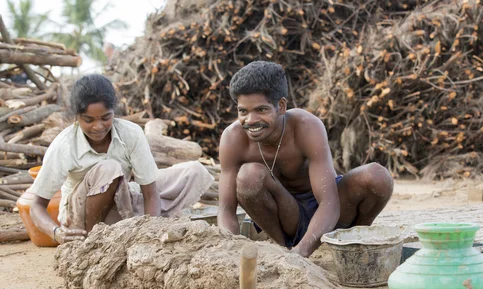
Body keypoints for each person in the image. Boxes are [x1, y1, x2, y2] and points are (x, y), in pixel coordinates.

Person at [218, 61, 394, 258]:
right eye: (243, 111)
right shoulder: (233, 139)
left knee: (377, 176)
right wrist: (228, 250)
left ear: (281, 106)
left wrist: (302, 253)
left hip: (331, 209)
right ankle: (285, 249)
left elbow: (329, 202)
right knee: (248, 177)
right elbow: (226, 209)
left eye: (261, 110)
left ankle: (353, 242)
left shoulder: (306, 127)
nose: (250, 120)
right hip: (288, 217)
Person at [30, 74, 214, 244]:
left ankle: (132, 230)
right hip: (81, 218)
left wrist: (150, 232)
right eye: (89, 120)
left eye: (105, 117)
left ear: (114, 112)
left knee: (193, 172)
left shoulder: (130, 133)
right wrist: (56, 232)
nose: (98, 126)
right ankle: (92, 242)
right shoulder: (64, 145)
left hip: (122, 202)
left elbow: (150, 192)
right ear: (77, 117)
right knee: (110, 168)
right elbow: (36, 206)